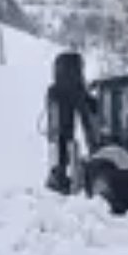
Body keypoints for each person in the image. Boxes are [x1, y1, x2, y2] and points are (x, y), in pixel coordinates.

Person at [45, 52, 96, 195]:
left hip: (64, 158)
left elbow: (57, 132)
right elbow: (90, 117)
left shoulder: (56, 93)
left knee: (62, 135)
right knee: (64, 135)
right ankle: (61, 174)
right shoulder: (76, 91)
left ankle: (60, 173)